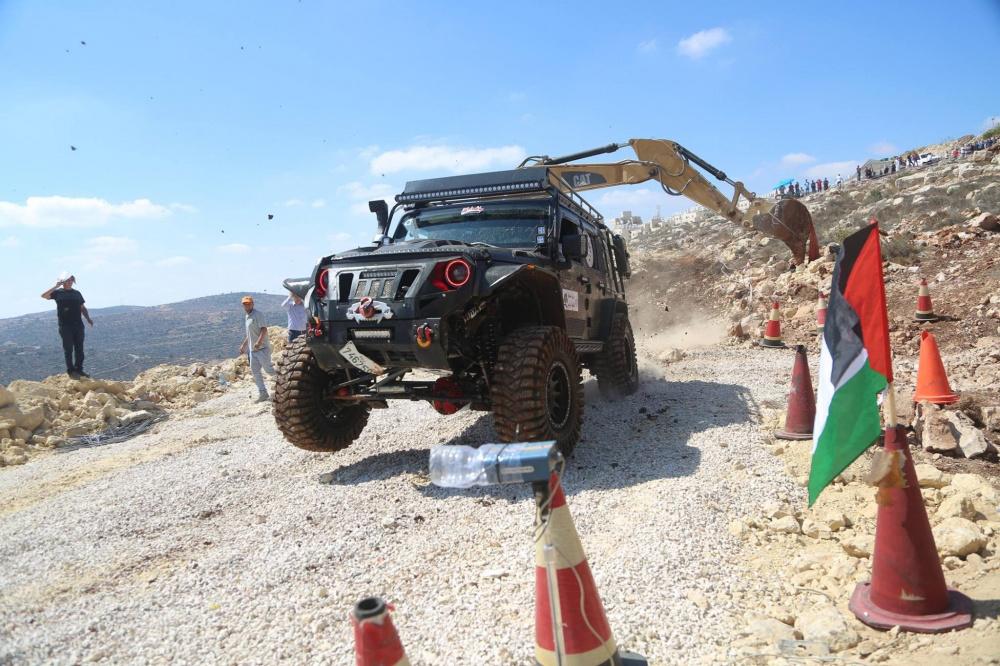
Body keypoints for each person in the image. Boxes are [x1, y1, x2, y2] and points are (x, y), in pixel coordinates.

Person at [41, 272, 93, 378]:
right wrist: (56, 286)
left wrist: (88, 319)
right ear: (62, 282)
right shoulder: (57, 293)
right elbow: (44, 296)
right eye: (67, 280)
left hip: (78, 325)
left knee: (79, 348)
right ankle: (71, 371)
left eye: (71, 280)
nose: (70, 282)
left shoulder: (77, 293)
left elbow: (82, 307)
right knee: (68, 349)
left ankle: (79, 369)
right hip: (65, 326)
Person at [238, 296, 274, 402]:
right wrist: (244, 345)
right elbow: (249, 334)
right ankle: (263, 393)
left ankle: (285, 380)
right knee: (255, 372)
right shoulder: (247, 317)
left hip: (262, 349)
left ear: (252, 304)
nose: (246, 306)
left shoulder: (258, 315)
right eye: (245, 304)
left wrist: (259, 342)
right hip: (252, 350)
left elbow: (264, 329)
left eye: (248, 304)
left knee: (269, 370)